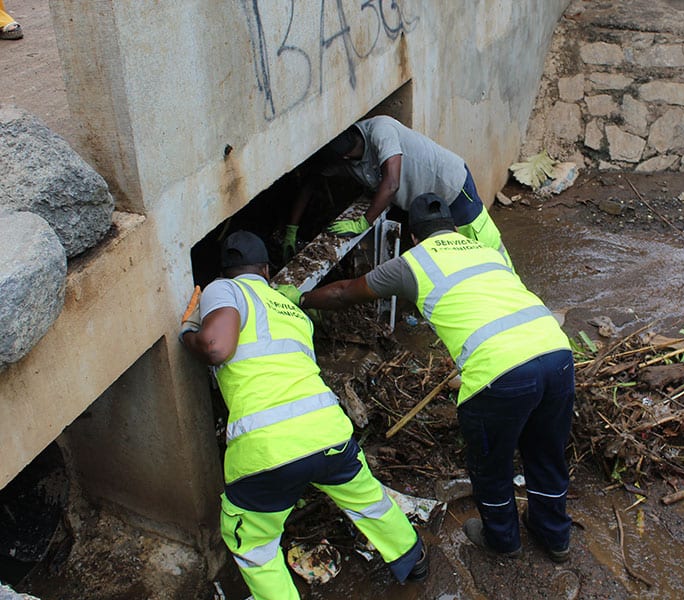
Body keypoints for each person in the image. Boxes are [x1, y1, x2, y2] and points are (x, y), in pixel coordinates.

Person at [297, 194, 575, 561]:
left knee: (491, 464)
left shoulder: (412, 263)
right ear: (455, 229)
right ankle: (555, 536)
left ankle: (503, 540)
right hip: (557, 355)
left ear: (413, 236)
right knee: (546, 454)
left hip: (500, 372)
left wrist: (297, 299)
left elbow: (345, 293)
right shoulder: (487, 252)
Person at [179, 231, 426, 600]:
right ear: (265, 269)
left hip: (267, 450)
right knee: (367, 500)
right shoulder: (292, 311)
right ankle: (413, 559)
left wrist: (188, 331)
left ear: (228, 271)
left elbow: (216, 346)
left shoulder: (224, 289)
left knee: (253, 542)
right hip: (329, 434)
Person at [282, 115, 512, 267]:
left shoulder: (381, 130)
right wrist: (292, 228)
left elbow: (392, 183)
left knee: (480, 244)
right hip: (419, 203)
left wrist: (364, 222)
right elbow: (311, 182)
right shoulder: (340, 156)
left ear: (345, 154)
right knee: (440, 256)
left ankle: (510, 284)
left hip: (451, 186)